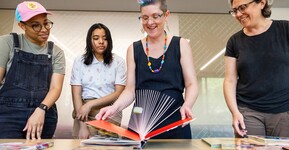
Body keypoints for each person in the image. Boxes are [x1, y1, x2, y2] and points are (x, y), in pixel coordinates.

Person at [96, 0, 198, 139]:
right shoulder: (133, 49)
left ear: (166, 15)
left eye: (155, 16)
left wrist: (187, 105)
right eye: (145, 18)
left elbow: (191, 84)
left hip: (174, 122)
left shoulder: (181, 44)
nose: (150, 22)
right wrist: (114, 108)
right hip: (141, 126)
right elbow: (130, 90)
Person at [224, 0, 289, 137]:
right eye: (234, 10)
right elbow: (229, 80)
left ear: (262, 3)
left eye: (242, 7)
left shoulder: (288, 29)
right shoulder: (234, 41)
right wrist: (235, 112)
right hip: (249, 113)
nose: (238, 14)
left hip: (288, 111)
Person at [0, 1, 65, 140]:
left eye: (46, 23)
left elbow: (55, 88)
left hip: (44, 115)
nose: (44, 29)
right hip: (8, 115)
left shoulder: (56, 52)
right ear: (22, 26)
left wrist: (41, 109)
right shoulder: (7, 43)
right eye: (36, 25)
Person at [70, 23, 126, 139]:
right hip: (83, 113)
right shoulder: (79, 61)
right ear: (89, 41)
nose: (101, 41)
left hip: (109, 112)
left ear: (109, 41)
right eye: (96, 38)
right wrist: (82, 125)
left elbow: (118, 93)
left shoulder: (118, 62)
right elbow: (76, 95)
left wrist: (90, 105)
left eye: (105, 38)